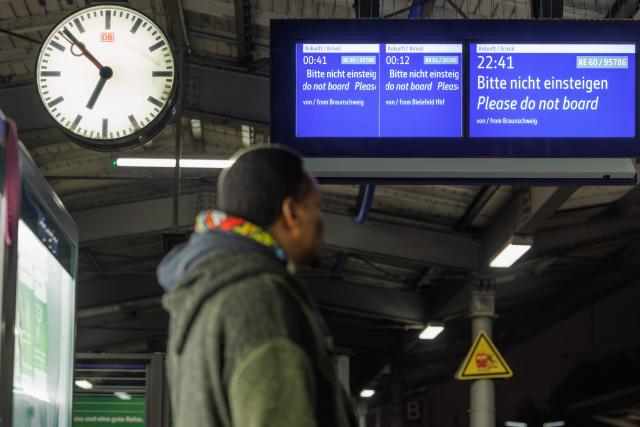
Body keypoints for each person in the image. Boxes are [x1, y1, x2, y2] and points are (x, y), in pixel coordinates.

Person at [158, 145, 356, 427]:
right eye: (316, 207)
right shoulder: (263, 299)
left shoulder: (205, 294)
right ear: (292, 214)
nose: (321, 220)